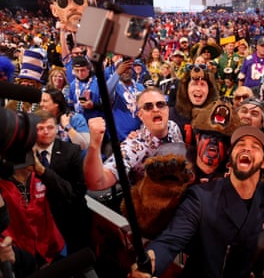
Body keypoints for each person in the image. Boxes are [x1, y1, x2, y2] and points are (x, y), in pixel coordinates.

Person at [129, 126, 264, 278]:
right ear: (231, 157)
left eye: (255, 146)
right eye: (240, 144)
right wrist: (149, 265)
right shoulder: (201, 197)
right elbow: (170, 241)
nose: (246, 148)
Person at [83, 88, 183, 191]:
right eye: (148, 107)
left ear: (167, 109)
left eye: (160, 105)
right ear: (140, 115)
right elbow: (97, 183)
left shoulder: (173, 127)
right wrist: (95, 145)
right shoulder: (134, 146)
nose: (155, 109)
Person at [32, 110, 92, 255]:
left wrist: (44, 172)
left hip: (71, 218)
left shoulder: (71, 151)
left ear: (58, 127)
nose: (46, 132)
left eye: (50, 127)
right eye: (40, 128)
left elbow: (78, 191)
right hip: (39, 221)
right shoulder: (26, 154)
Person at [169, 65, 218, 145]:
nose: (198, 89)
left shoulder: (216, 116)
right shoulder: (172, 115)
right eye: (194, 84)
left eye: (202, 84)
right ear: (186, 88)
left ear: (209, 90)